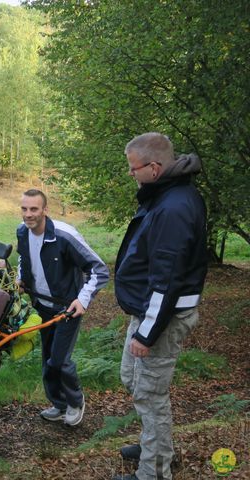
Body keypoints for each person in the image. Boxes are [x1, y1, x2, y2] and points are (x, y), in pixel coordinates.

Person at [113, 133, 207, 480]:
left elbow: (166, 279)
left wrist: (148, 334)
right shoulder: (166, 195)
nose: (131, 174)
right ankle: (157, 445)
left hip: (162, 318)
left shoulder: (174, 207)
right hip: (147, 311)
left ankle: (153, 471)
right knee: (132, 379)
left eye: (133, 168)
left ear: (153, 167)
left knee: (150, 395)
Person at [16, 189, 109, 426]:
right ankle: (59, 405)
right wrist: (20, 277)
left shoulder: (64, 236)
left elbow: (99, 270)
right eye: (25, 209)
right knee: (48, 356)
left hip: (68, 308)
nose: (29, 214)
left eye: (34, 209)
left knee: (59, 359)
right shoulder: (21, 232)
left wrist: (83, 299)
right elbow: (23, 258)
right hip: (41, 305)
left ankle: (75, 402)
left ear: (45, 210)